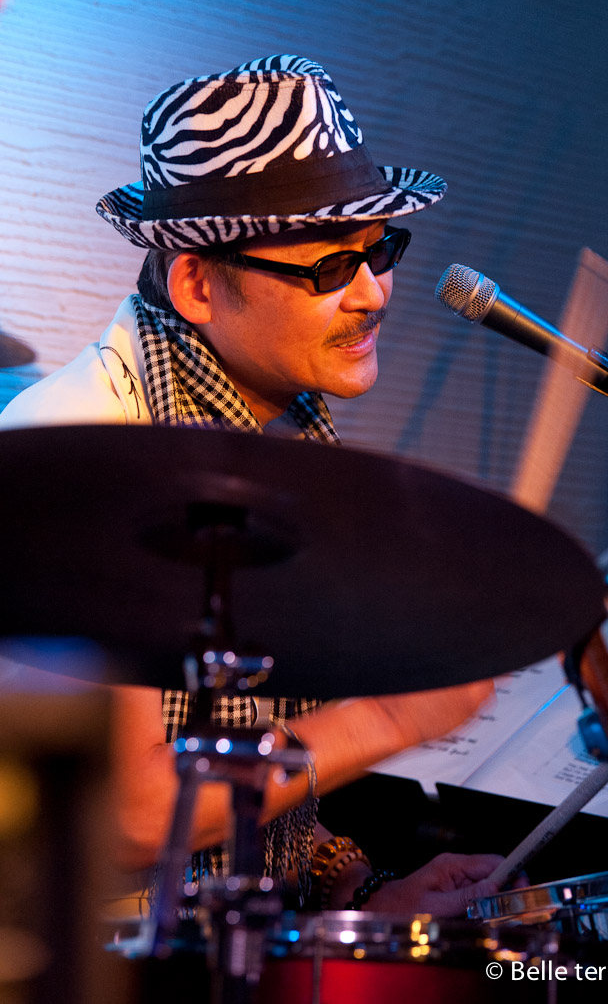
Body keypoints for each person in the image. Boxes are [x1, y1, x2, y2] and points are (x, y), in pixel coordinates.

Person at [0, 54, 503, 915]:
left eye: (379, 251)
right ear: (198, 283)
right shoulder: (82, 459)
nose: (373, 294)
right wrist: (386, 718)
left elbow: (233, 754)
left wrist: (356, 891)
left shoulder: (263, 434)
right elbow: (125, 815)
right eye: (327, 268)